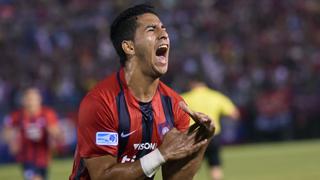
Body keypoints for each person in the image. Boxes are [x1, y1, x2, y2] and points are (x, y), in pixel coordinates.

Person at [69, 4, 215, 180]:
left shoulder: (175, 105)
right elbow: (102, 176)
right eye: (152, 29)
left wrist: (199, 143)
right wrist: (160, 155)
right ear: (129, 47)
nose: (164, 34)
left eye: (164, 28)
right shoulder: (101, 102)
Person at [182, 75, 240, 180]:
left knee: (192, 168)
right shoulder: (216, 96)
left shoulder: (185, 97)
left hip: (194, 136)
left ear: (192, 83)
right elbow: (234, 114)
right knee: (215, 165)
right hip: (213, 134)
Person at [3, 87, 63, 180]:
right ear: (23, 101)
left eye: (33, 99)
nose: (31, 102)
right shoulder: (17, 115)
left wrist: (54, 135)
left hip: (44, 159)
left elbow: (58, 134)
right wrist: (12, 139)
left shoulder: (47, 113)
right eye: (28, 99)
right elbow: (6, 132)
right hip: (26, 159)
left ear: (39, 99)